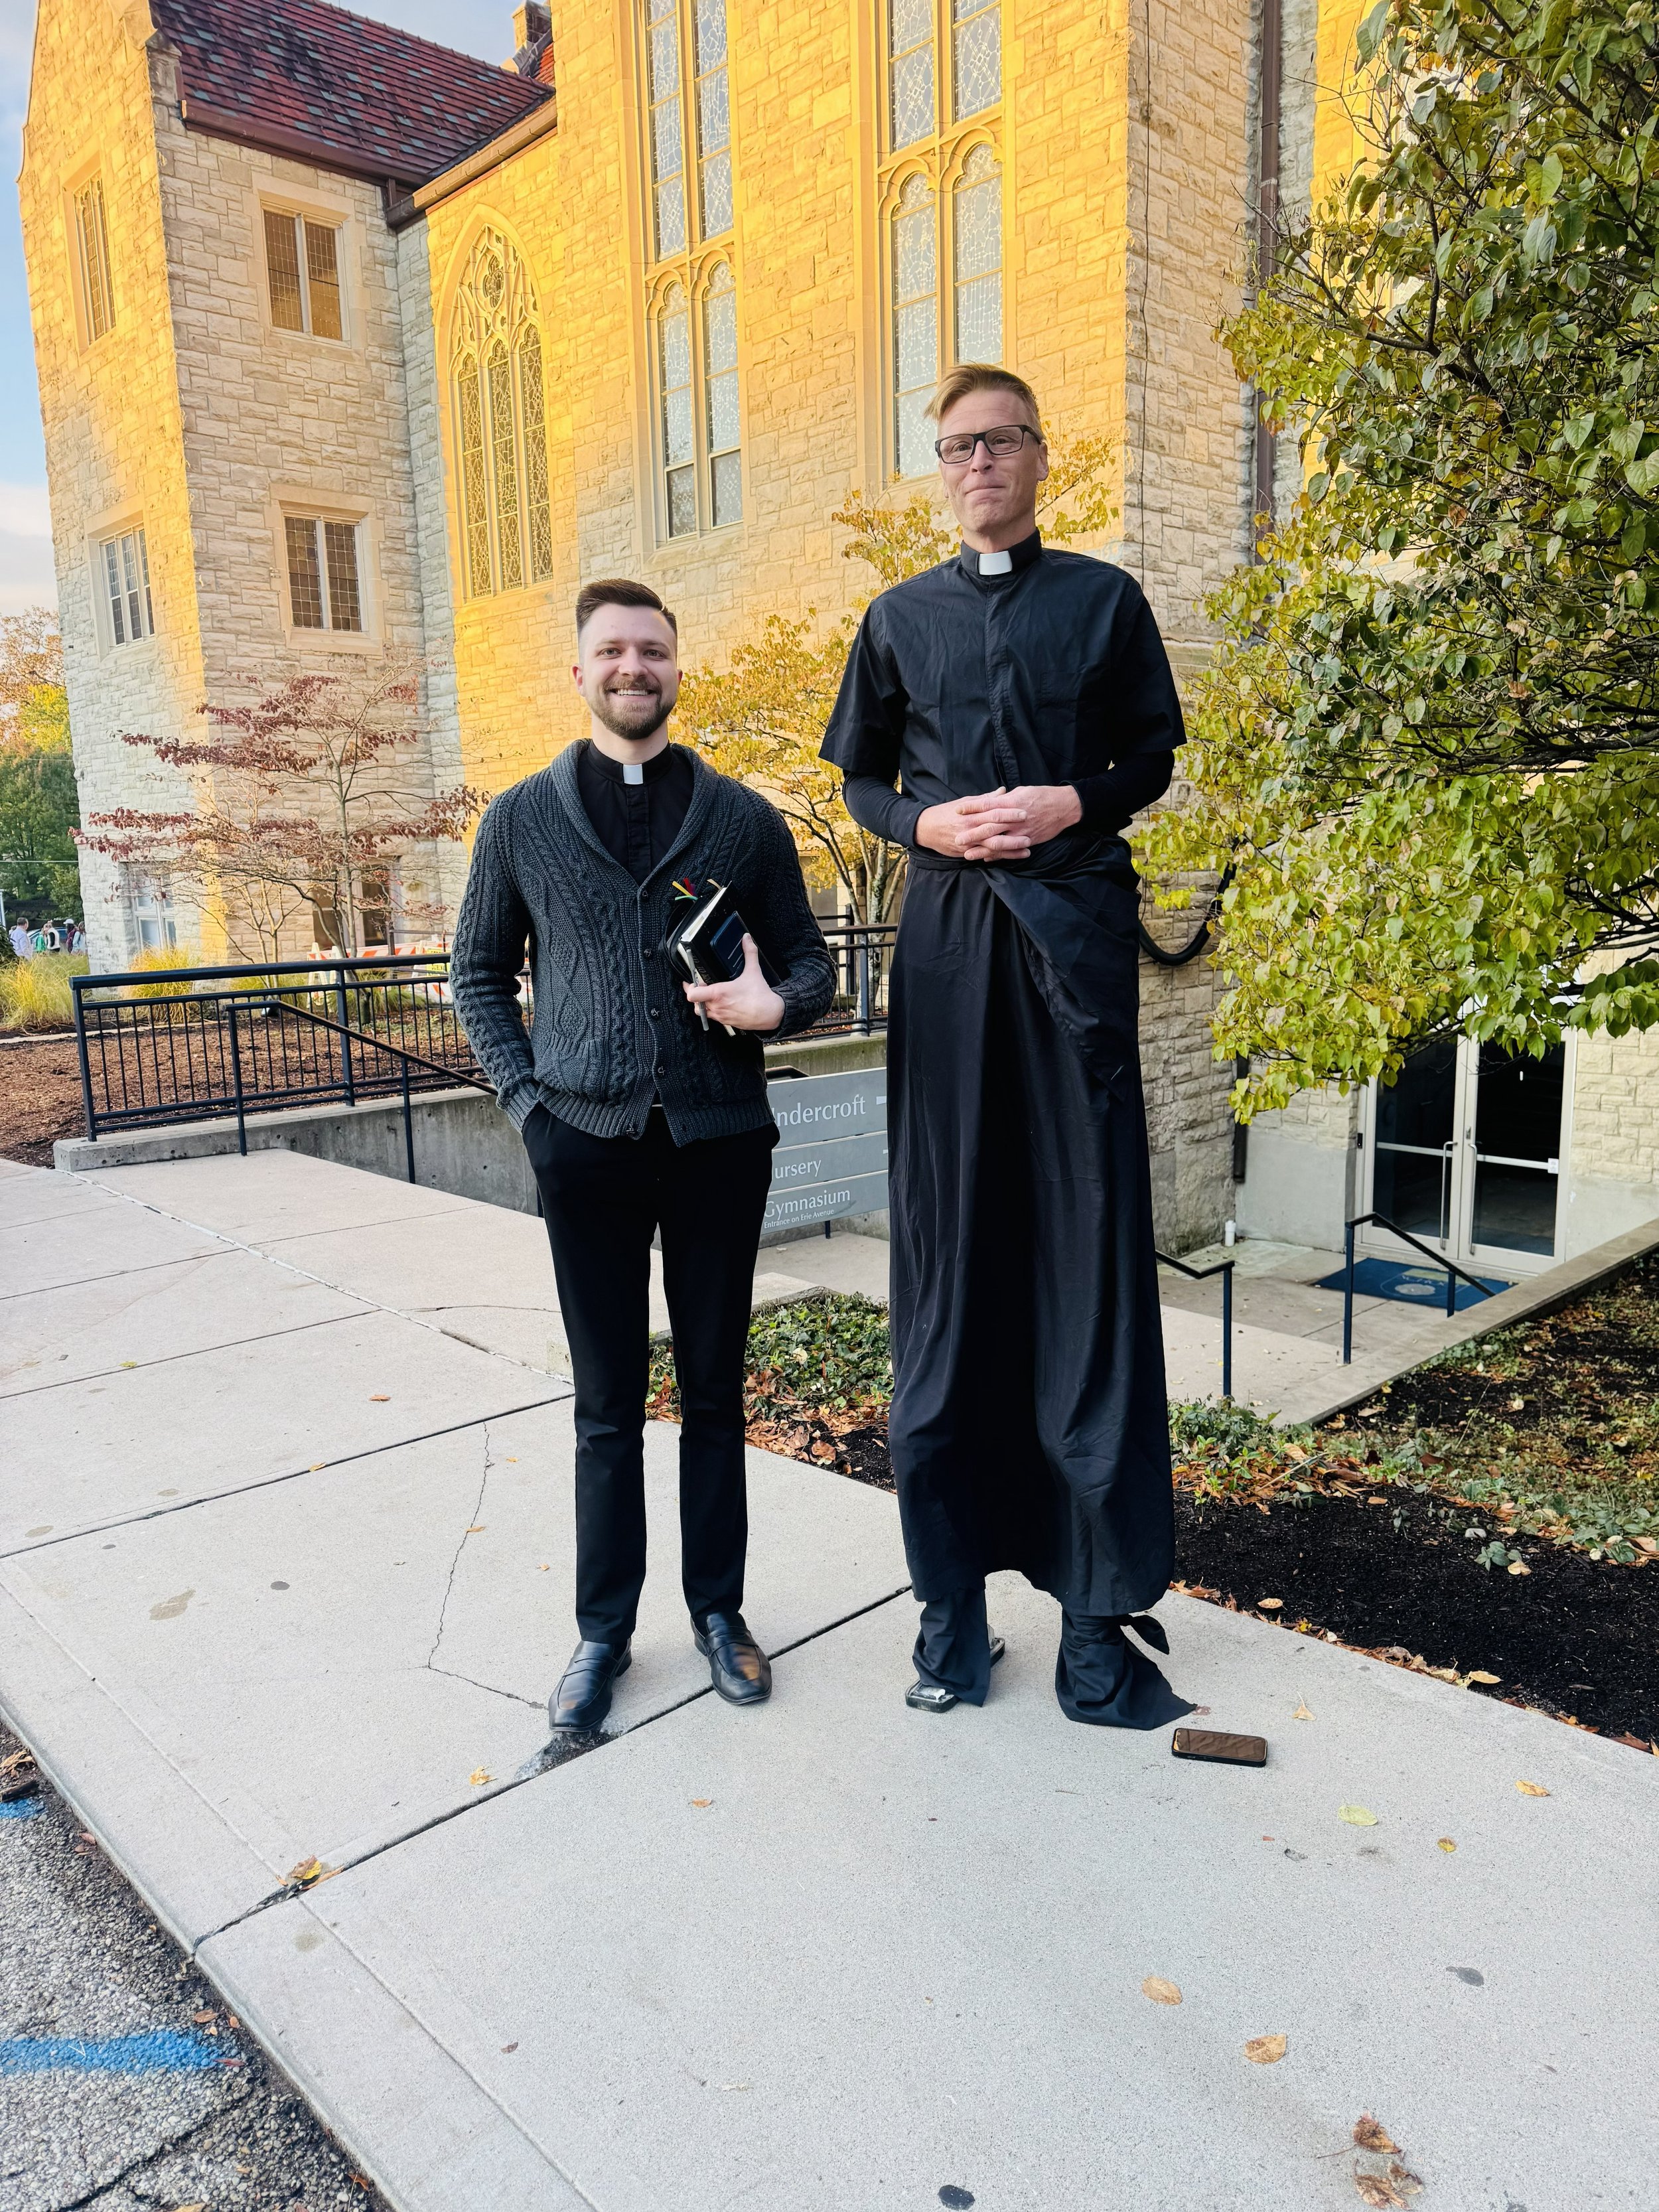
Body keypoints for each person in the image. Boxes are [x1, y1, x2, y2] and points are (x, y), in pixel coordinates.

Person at [821, 365, 1194, 1730]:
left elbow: (1148, 759)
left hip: (1075, 958)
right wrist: (921, 826)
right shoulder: (895, 618)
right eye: (954, 446)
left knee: (1083, 1256)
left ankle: (1094, 1626)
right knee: (946, 1264)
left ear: (1040, 454)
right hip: (945, 958)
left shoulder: (1102, 601)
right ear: (938, 469)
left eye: (999, 440)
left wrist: (1069, 799)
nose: (978, 462)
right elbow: (856, 776)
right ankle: (948, 1610)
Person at [451, 579, 835, 1732]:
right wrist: (528, 1106)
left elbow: (811, 966)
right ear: (580, 673)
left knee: (716, 1393)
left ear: (678, 667)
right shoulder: (519, 820)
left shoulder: (744, 820)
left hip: (720, 1143)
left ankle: (719, 1610)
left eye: (653, 650)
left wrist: (779, 1007)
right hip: (587, 1148)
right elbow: (477, 972)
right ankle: (603, 1632)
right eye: (612, 651)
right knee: (605, 1404)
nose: (634, 667)